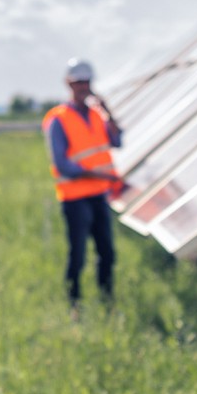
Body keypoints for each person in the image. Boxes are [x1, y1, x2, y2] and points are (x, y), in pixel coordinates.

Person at [42, 58, 121, 319]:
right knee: (78, 255)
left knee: (107, 252)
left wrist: (108, 110)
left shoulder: (98, 115)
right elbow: (62, 164)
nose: (83, 87)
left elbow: (117, 140)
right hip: (75, 199)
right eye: (78, 83)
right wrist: (92, 172)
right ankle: (74, 304)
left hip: (98, 195)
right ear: (68, 84)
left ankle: (107, 300)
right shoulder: (58, 119)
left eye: (86, 82)